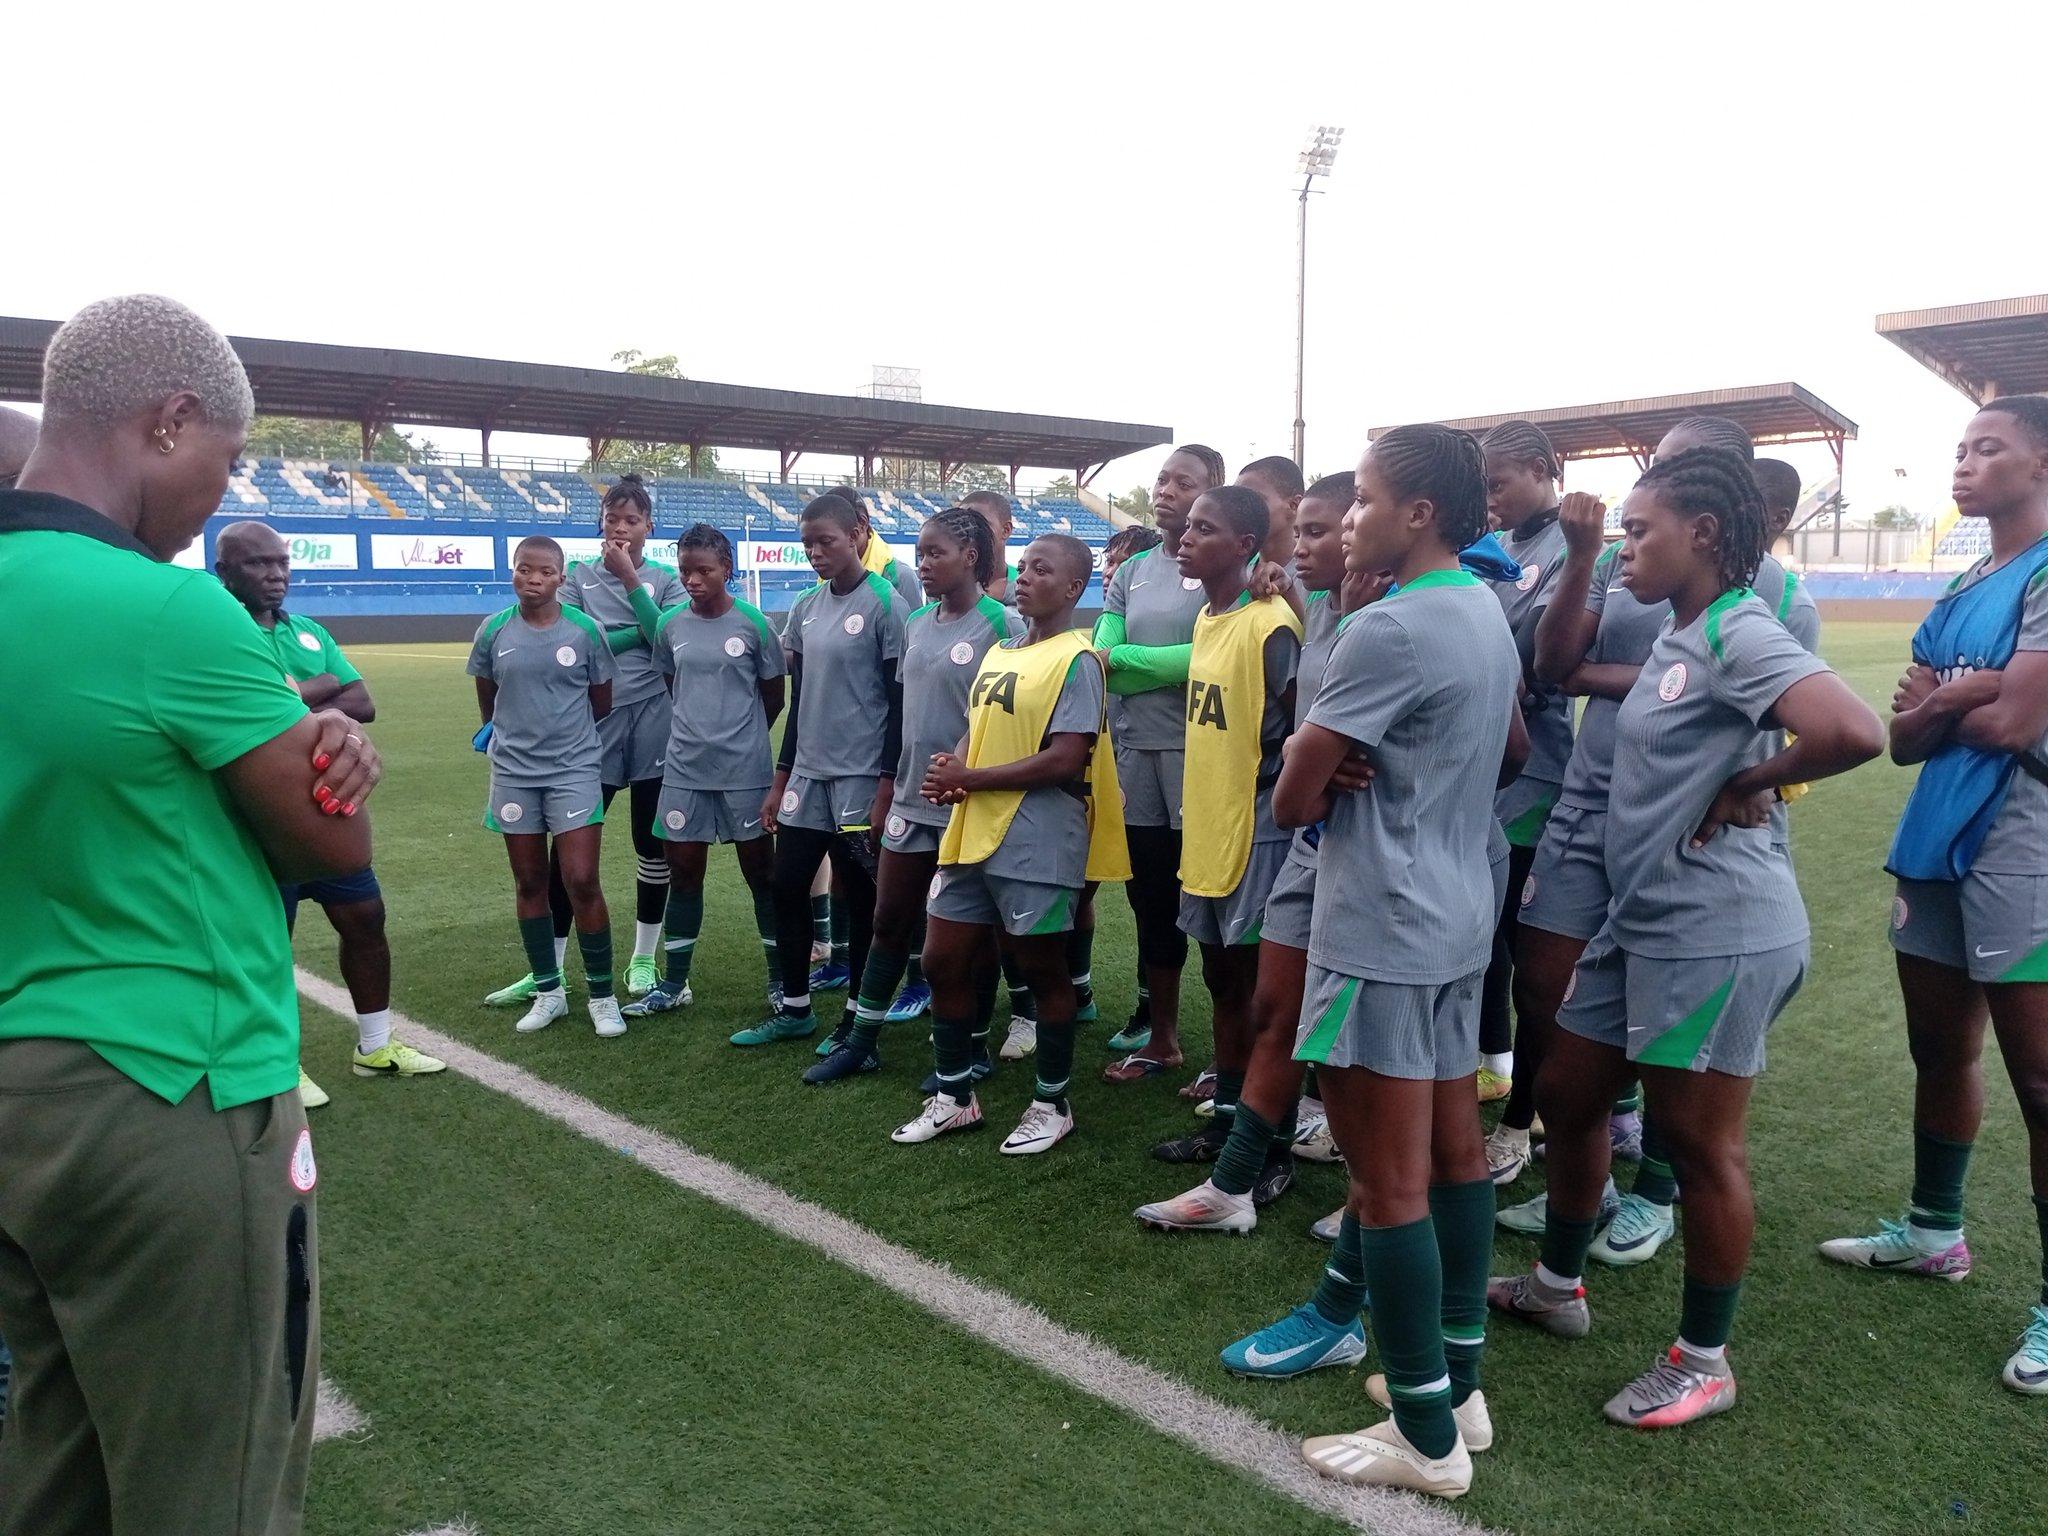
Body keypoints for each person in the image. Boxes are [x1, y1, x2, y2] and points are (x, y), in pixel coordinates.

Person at [0, 292, 383, 1535]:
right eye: (222, 460)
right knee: (211, 1492)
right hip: (171, 1092)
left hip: (21, 1090)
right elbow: (333, 838)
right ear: (171, 421)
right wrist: (328, 745)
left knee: (60, 1469)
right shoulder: (168, 610)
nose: (218, 498)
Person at [1489, 446, 1882, 1430]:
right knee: (1566, 1090)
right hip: (1639, 916)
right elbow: (1572, 666)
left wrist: (1745, 783)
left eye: (1638, 532)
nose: (1623, 549)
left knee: (1699, 1146)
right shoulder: (1681, 631)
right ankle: (1555, 1285)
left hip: (1718, 927)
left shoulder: (1738, 630)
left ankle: (1701, 1360)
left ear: (1701, 535)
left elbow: (1849, 728)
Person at [1281, 426, 1520, 1498]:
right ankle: (1456, 1390)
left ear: (1416, 513)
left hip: (1379, 924)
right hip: (1456, 914)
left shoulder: (1389, 626)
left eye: (1369, 498)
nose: (1354, 517)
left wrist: (1310, 769)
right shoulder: (1479, 605)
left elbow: (1293, 793)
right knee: (1456, 1156)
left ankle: (1423, 1437)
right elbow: (1505, 750)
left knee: (1386, 1186)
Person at [1827, 392, 2048, 1396]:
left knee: (2040, 1085)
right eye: (1957, 448)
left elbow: (2008, 727)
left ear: (2038, 464)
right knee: (1936, 1048)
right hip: (1932, 836)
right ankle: (1932, 1232)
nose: (1961, 464)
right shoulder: (1966, 580)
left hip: (2021, 839)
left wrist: (1954, 698)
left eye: (1985, 448)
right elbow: (1898, 738)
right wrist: (1970, 694)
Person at [1137, 472, 1349, 1239]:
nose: (1186, 538)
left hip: (1260, 827)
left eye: (1202, 528)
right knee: (1223, 981)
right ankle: (1227, 1124)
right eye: (1186, 527)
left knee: (1267, 998)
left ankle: (1272, 1146)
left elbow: (1299, 724)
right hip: (1210, 821)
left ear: (1247, 545)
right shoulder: (1207, 617)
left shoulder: (1270, 623)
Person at [893, 534, 1129, 1152]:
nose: (1024, 577)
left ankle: (1052, 1103)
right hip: (972, 832)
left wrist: (970, 778)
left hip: (1039, 839)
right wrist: (954, 771)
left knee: (1042, 969)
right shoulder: (1000, 652)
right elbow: (980, 727)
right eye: (1023, 567)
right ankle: (954, 1097)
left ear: (1075, 589)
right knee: (943, 959)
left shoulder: (1079, 660)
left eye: (1042, 570)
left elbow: (1065, 759)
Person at [214, 520, 445, 1106]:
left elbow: (362, 702)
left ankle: (375, 1046)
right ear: (225, 573)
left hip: (329, 809)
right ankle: (279, 1065)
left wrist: (302, 687)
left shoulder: (310, 632)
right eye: (258, 564)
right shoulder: (215, 631)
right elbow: (248, 710)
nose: (275, 574)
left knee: (365, 919)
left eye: (281, 563)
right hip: (257, 821)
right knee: (271, 940)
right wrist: (318, 690)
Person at [809, 508, 1020, 1084]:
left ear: (971, 557)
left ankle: (974, 1048)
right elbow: (902, 715)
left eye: (936, 554)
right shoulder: (918, 623)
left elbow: (1017, 716)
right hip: (908, 800)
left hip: (969, 803)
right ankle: (863, 1040)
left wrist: (973, 771)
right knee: (888, 919)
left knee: (970, 936)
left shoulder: (1002, 625)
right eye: (920, 554)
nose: (923, 565)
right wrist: (887, 789)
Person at [483, 474, 684, 1005]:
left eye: (632, 520)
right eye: (613, 519)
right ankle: (549, 967)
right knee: (566, 857)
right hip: (590, 725)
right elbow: (565, 629)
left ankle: (643, 959)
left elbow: (667, 633)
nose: (621, 529)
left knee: (649, 840)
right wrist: (630, 630)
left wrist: (629, 586)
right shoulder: (573, 578)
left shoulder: (663, 579)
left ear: (648, 528)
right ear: (600, 524)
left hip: (653, 718)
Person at [746, 494, 907, 1049]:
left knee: (860, 901)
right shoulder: (806, 608)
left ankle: (857, 1020)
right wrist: (780, 778)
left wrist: (887, 785)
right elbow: (799, 700)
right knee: (786, 884)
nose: (815, 553)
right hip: (808, 778)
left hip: (861, 779)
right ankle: (795, 1008)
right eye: (807, 544)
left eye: (826, 541)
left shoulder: (887, 603)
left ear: (858, 532)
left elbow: (899, 703)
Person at [610, 523, 786, 1020]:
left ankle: (779, 980)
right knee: (684, 875)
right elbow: (673, 682)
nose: (692, 579)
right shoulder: (669, 625)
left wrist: (742, 735)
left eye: (703, 570)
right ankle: (674, 983)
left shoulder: (755, 625)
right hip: (684, 771)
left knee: (761, 876)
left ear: (726, 570)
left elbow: (773, 696)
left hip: (745, 773)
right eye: (685, 569)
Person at [1096, 445, 1229, 1078]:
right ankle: (1164, 1038)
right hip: (1135, 756)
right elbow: (1103, 658)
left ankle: (1230, 1054)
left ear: (1212, 492)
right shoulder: (1134, 570)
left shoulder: (1231, 566)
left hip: (1200, 755)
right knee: (1149, 898)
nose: (1167, 491)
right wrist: (1157, 667)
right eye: (1163, 479)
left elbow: (1207, 657)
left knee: (1208, 901)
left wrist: (1134, 666)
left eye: (1185, 482)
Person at [469, 535, 624, 1038]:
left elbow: (601, 702)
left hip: (574, 770)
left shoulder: (585, 631)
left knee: (580, 879)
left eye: (544, 572)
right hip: (515, 773)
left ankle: (602, 995)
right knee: (530, 882)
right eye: (523, 570)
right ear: (512, 572)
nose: (533, 580)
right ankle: (549, 992)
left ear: (561, 578)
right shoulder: (493, 631)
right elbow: (488, 699)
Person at [1473, 420, 1575, 1106]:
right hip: (1482, 763)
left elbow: (1543, 662)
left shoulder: (1571, 548)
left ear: (1540, 468)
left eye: (1498, 483)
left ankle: (1533, 1105)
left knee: (1522, 937)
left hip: (1533, 765)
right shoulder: (1500, 545)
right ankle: (1494, 1061)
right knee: (1484, 929)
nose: (1490, 499)